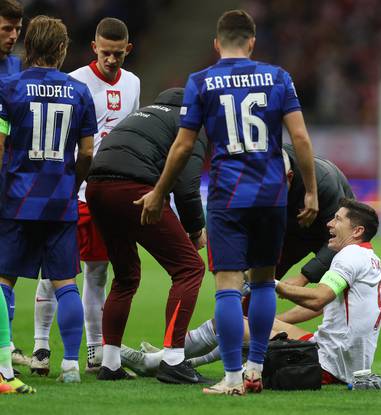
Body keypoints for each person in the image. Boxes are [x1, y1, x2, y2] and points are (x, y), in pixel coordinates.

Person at [134, 9, 318, 395]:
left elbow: (184, 145)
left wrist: (159, 190)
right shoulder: (278, 77)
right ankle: (255, 370)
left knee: (228, 288)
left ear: (217, 44)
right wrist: (313, 190)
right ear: (252, 42)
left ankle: (233, 377)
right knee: (265, 283)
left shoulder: (201, 81)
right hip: (271, 195)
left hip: (227, 196)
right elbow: (300, 139)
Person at [122, 199, 381, 387]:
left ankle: (160, 361)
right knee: (256, 327)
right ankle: (178, 361)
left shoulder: (348, 256)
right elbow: (319, 308)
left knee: (230, 322)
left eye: (337, 219)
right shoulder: (368, 257)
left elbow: (319, 297)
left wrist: (270, 283)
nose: (329, 223)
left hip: (326, 363)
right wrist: (276, 322)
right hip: (349, 361)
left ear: (357, 230)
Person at [31, 17, 140, 375]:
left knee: (97, 274)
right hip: (72, 192)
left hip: (107, 194)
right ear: (94, 48)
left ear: (128, 50)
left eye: (117, 54)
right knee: (55, 272)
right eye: (105, 53)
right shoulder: (75, 81)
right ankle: (41, 347)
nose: (111, 60)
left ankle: (95, 350)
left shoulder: (133, 84)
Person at [85, 87, 208, 383]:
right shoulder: (190, 123)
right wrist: (195, 230)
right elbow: (188, 187)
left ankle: (111, 363)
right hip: (134, 187)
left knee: (126, 276)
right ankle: (174, 360)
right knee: (190, 269)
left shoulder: (142, 116)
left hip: (96, 188)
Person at [0, 15, 97, 384]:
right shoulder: (78, 91)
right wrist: (73, 184)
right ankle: (71, 365)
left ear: (29, 47)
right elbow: (87, 153)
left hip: (16, 199)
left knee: (3, 280)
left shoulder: (9, 89)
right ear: (60, 50)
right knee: (65, 282)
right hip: (59, 199)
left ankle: (3, 362)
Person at [241, 144, 355, 322]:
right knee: (256, 280)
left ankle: (277, 325)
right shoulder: (255, 174)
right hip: (289, 231)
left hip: (331, 234)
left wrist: (304, 277)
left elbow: (338, 239)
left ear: (289, 177)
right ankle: (245, 332)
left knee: (339, 291)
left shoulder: (324, 183)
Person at [0, 0, 30, 370]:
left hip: (9, 179)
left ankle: (4, 350)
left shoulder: (16, 67)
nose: (13, 36)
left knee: (6, 269)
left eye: (17, 29)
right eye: (6, 29)